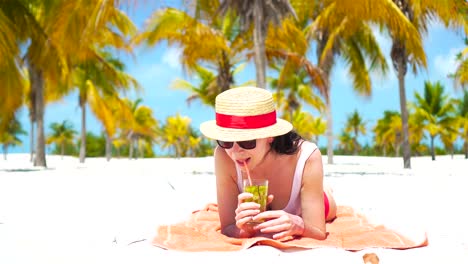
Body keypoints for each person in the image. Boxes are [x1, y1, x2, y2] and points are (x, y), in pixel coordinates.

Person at [200, 86, 336, 240]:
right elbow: (228, 227)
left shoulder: (306, 158)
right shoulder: (223, 155)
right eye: (226, 141)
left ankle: (325, 188)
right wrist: (244, 231)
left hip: (313, 203)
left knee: (327, 202)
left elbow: (318, 232)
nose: (235, 151)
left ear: (270, 135)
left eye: (247, 141)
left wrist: (299, 225)